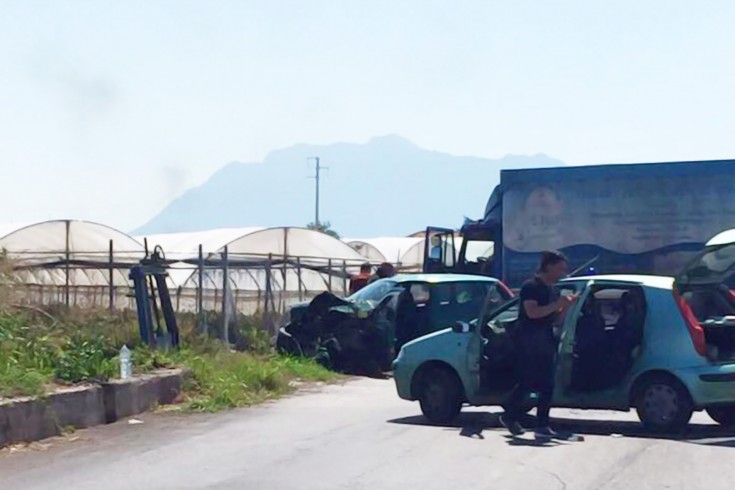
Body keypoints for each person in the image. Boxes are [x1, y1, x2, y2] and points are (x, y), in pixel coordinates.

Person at [500, 250, 579, 441]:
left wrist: (566, 307)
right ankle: (517, 416)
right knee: (530, 380)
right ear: (549, 266)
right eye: (560, 268)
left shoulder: (552, 290)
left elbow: (556, 321)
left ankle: (535, 422)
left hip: (545, 339)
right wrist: (556, 305)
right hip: (528, 340)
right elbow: (532, 313)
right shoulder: (531, 286)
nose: (563, 273)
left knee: (545, 384)